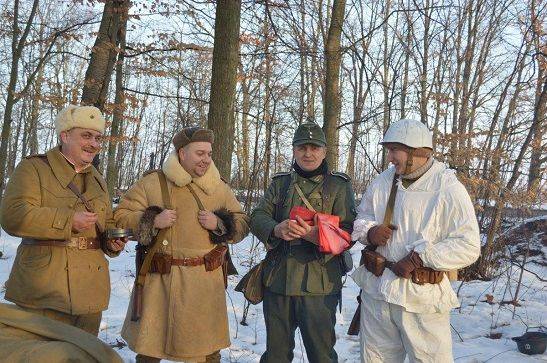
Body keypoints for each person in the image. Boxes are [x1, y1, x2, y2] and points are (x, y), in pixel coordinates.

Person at [114, 127, 249, 363]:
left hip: (204, 284)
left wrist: (219, 223)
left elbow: (243, 222)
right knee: (150, 349)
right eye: (200, 153)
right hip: (160, 281)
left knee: (207, 352)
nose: (206, 159)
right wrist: (152, 220)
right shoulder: (152, 182)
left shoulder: (219, 186)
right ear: (182, 153)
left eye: (208, 154)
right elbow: (120, 216)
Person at [351, 118, 481, 362]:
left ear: (416, 152)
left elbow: (468, 246)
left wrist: (419, 257)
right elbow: (361, 219)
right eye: (388, 150)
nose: (389, 157)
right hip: (377, 293)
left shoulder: (447, 187)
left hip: (422, 300)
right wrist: (370, 231)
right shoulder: (382, 182)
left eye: (394, 150)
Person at [0, 104, 126, 336]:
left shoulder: (97, 179)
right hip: (45, 289)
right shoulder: (34, 168)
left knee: (81, 355)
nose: (94, 144)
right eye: (86, 136)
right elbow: (12, 216)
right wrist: (68, 221)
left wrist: (112, 241)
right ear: (65, 135)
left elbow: (105, 221)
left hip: (89, 291)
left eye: (98, 138)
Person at [250, 122, 356, 363]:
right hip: (279, 280)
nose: (308, 153)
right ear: (294, 150)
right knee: (276, 356)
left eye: (314, 147)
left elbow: (349, 231)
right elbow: (257, 216)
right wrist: (276, 228)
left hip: (319, 283)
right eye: (302, 147)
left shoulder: (339, 185)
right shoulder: (281, 183)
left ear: (324, 151)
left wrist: (313, 234)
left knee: (321, 355)